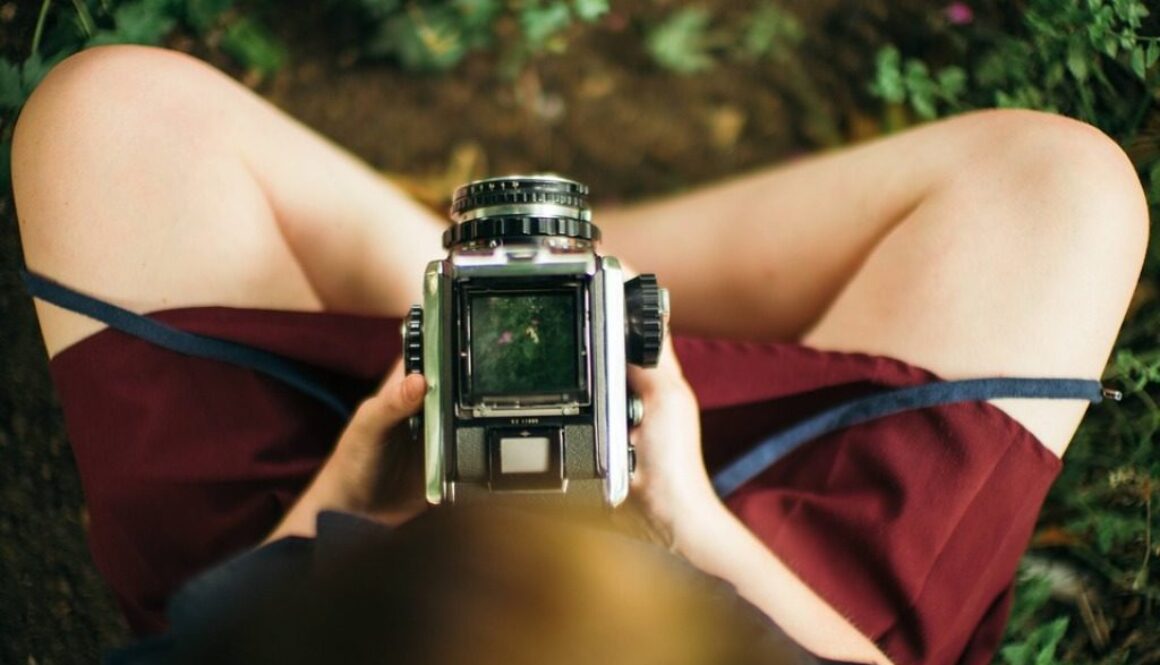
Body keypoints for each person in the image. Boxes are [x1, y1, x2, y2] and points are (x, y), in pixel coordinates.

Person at [11, 44, 1148, 665]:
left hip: (329, 580)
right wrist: (693, 520)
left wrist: (346, 491)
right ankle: (567, 296)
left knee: (110, 115)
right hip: (757, 586)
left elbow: (208, 632)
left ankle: (519, 290)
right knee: (1062, 190)